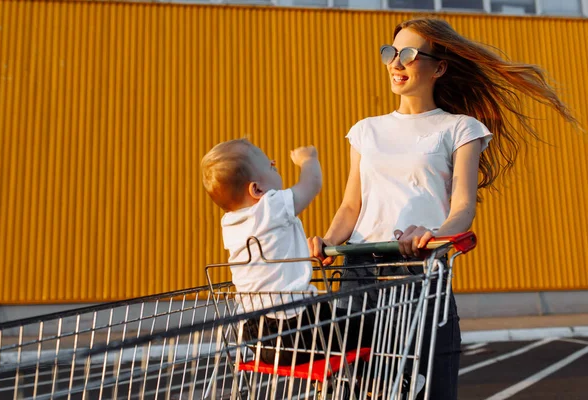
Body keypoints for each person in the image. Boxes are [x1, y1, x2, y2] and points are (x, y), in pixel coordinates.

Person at [308, 17, 577, 400]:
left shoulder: (461, 128)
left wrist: (433, 234)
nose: (395, 63)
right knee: (363, 388)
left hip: (422, 269)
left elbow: (463, 207)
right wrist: (327, 241)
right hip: (361, 273)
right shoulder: (366, 130)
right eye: (391, 52)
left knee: (427, 386)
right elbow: (352, 205)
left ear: (439, 67)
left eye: (409, 54)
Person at [201, 139, 377, 368]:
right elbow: (311, 185)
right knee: (373, 326)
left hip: (257, 339)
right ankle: (395, 381)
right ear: (256, 189)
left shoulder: (230, 224)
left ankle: (337, 383)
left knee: (345, 328)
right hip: (297, 330)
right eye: (270, 166)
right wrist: (308, 160)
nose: (275, 164)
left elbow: (274, 253)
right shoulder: (270, 205)